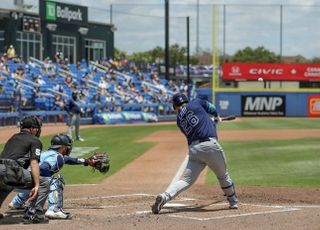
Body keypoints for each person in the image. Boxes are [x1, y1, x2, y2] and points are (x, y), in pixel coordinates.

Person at [151, 93, 238, 214]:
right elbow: (211, 108)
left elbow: (198, 126)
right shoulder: (196, 102)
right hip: (210, 146)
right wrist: (216, 116)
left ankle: (165, 196)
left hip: (194, 150)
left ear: (175, 105)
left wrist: (212, 121)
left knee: (186, 180)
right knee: (223, 176)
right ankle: (233, 201)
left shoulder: (179, 121)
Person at [8, 133, 99, 219]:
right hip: (26, 182)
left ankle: (17, 202)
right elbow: (43, 168)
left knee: (39, 179)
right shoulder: (56, 157)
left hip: (17, 181)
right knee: (55, 180)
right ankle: (54, 210)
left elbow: (68, 160)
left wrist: (86, 161)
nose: (69, 149)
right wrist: (44, 180)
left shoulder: (47, 153)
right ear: (63, 147)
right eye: (68, 147)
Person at [0, 116, 49, 224]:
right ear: (32, 129)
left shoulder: (13, 137)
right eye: (37, 128)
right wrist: (36, 185)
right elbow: (34, 163)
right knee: (43, 182)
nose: (38, 130)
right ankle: (34, 214)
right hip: (11, 169)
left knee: (6, 184)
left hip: (1, 168)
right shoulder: (35, 140)